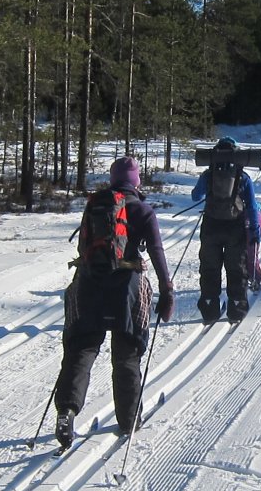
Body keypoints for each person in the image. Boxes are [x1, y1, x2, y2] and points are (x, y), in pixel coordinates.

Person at [53, 157, 175, 448]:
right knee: (126, 355)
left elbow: (84, 246)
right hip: (127, 290)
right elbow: (156, 251)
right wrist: (166, 290)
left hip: (90, 285)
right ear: (136, 180)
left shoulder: (95, 204)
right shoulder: (143, 210)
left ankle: (67, 411)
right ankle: (129, 418)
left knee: (81, 349)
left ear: (112, 178)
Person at [190, 137, 261, 325]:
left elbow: (195, 196)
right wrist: (254, 231)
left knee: (209, 267)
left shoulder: (209, 174)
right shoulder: (243, 176)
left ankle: (209, 308)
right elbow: (252, 206)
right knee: (236, 268)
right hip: (235, 227)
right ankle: (237, 309)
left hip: (211, 226)